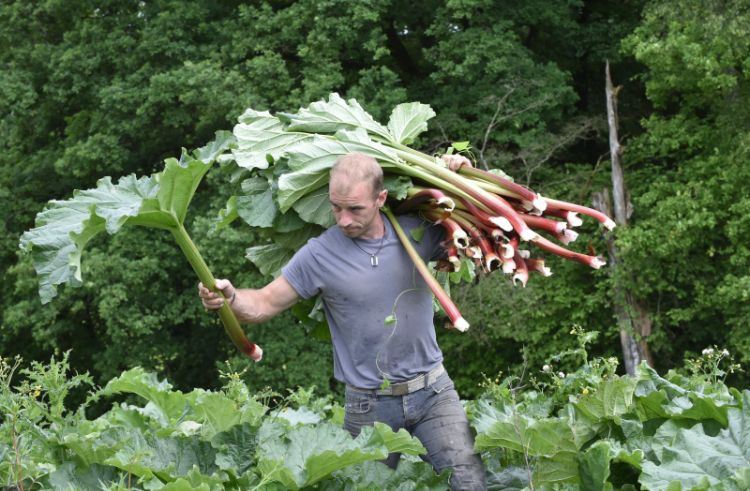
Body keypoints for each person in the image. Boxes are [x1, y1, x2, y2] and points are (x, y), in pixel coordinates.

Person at [199, 152, 487, 489]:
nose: (343, 219)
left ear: (381, 198)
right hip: (369, 404)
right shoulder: (319, 254)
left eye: (355, 209)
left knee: (471, 484)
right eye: (336, 207)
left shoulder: (420, 232)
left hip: (434, 392)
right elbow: (262, 304)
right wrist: (230, 298)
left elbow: (484, 227)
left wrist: (461, 173)